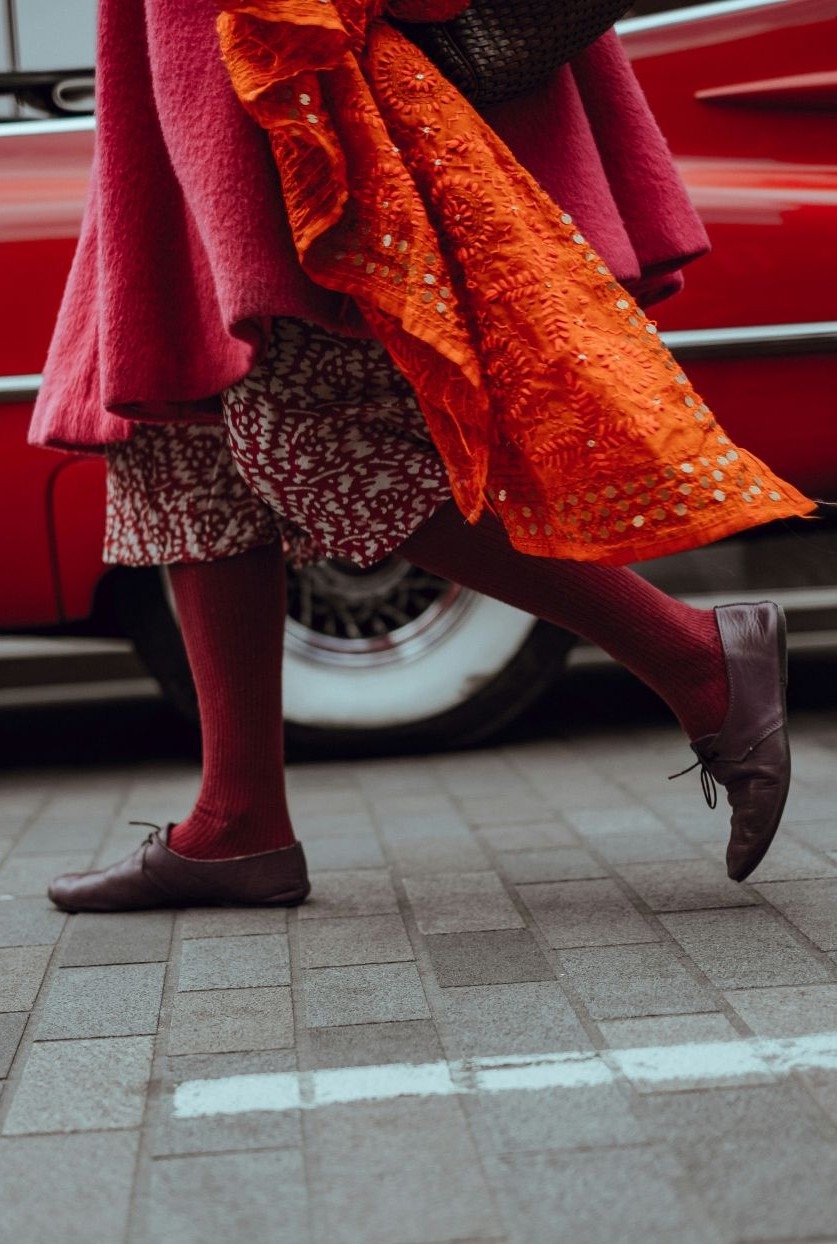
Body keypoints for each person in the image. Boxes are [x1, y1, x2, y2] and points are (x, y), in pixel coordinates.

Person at [31, 0, 812, 913]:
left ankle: (695, 658)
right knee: (183, 449)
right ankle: (236, 821)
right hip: (191, 100)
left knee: (316, 448)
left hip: (307, 90)